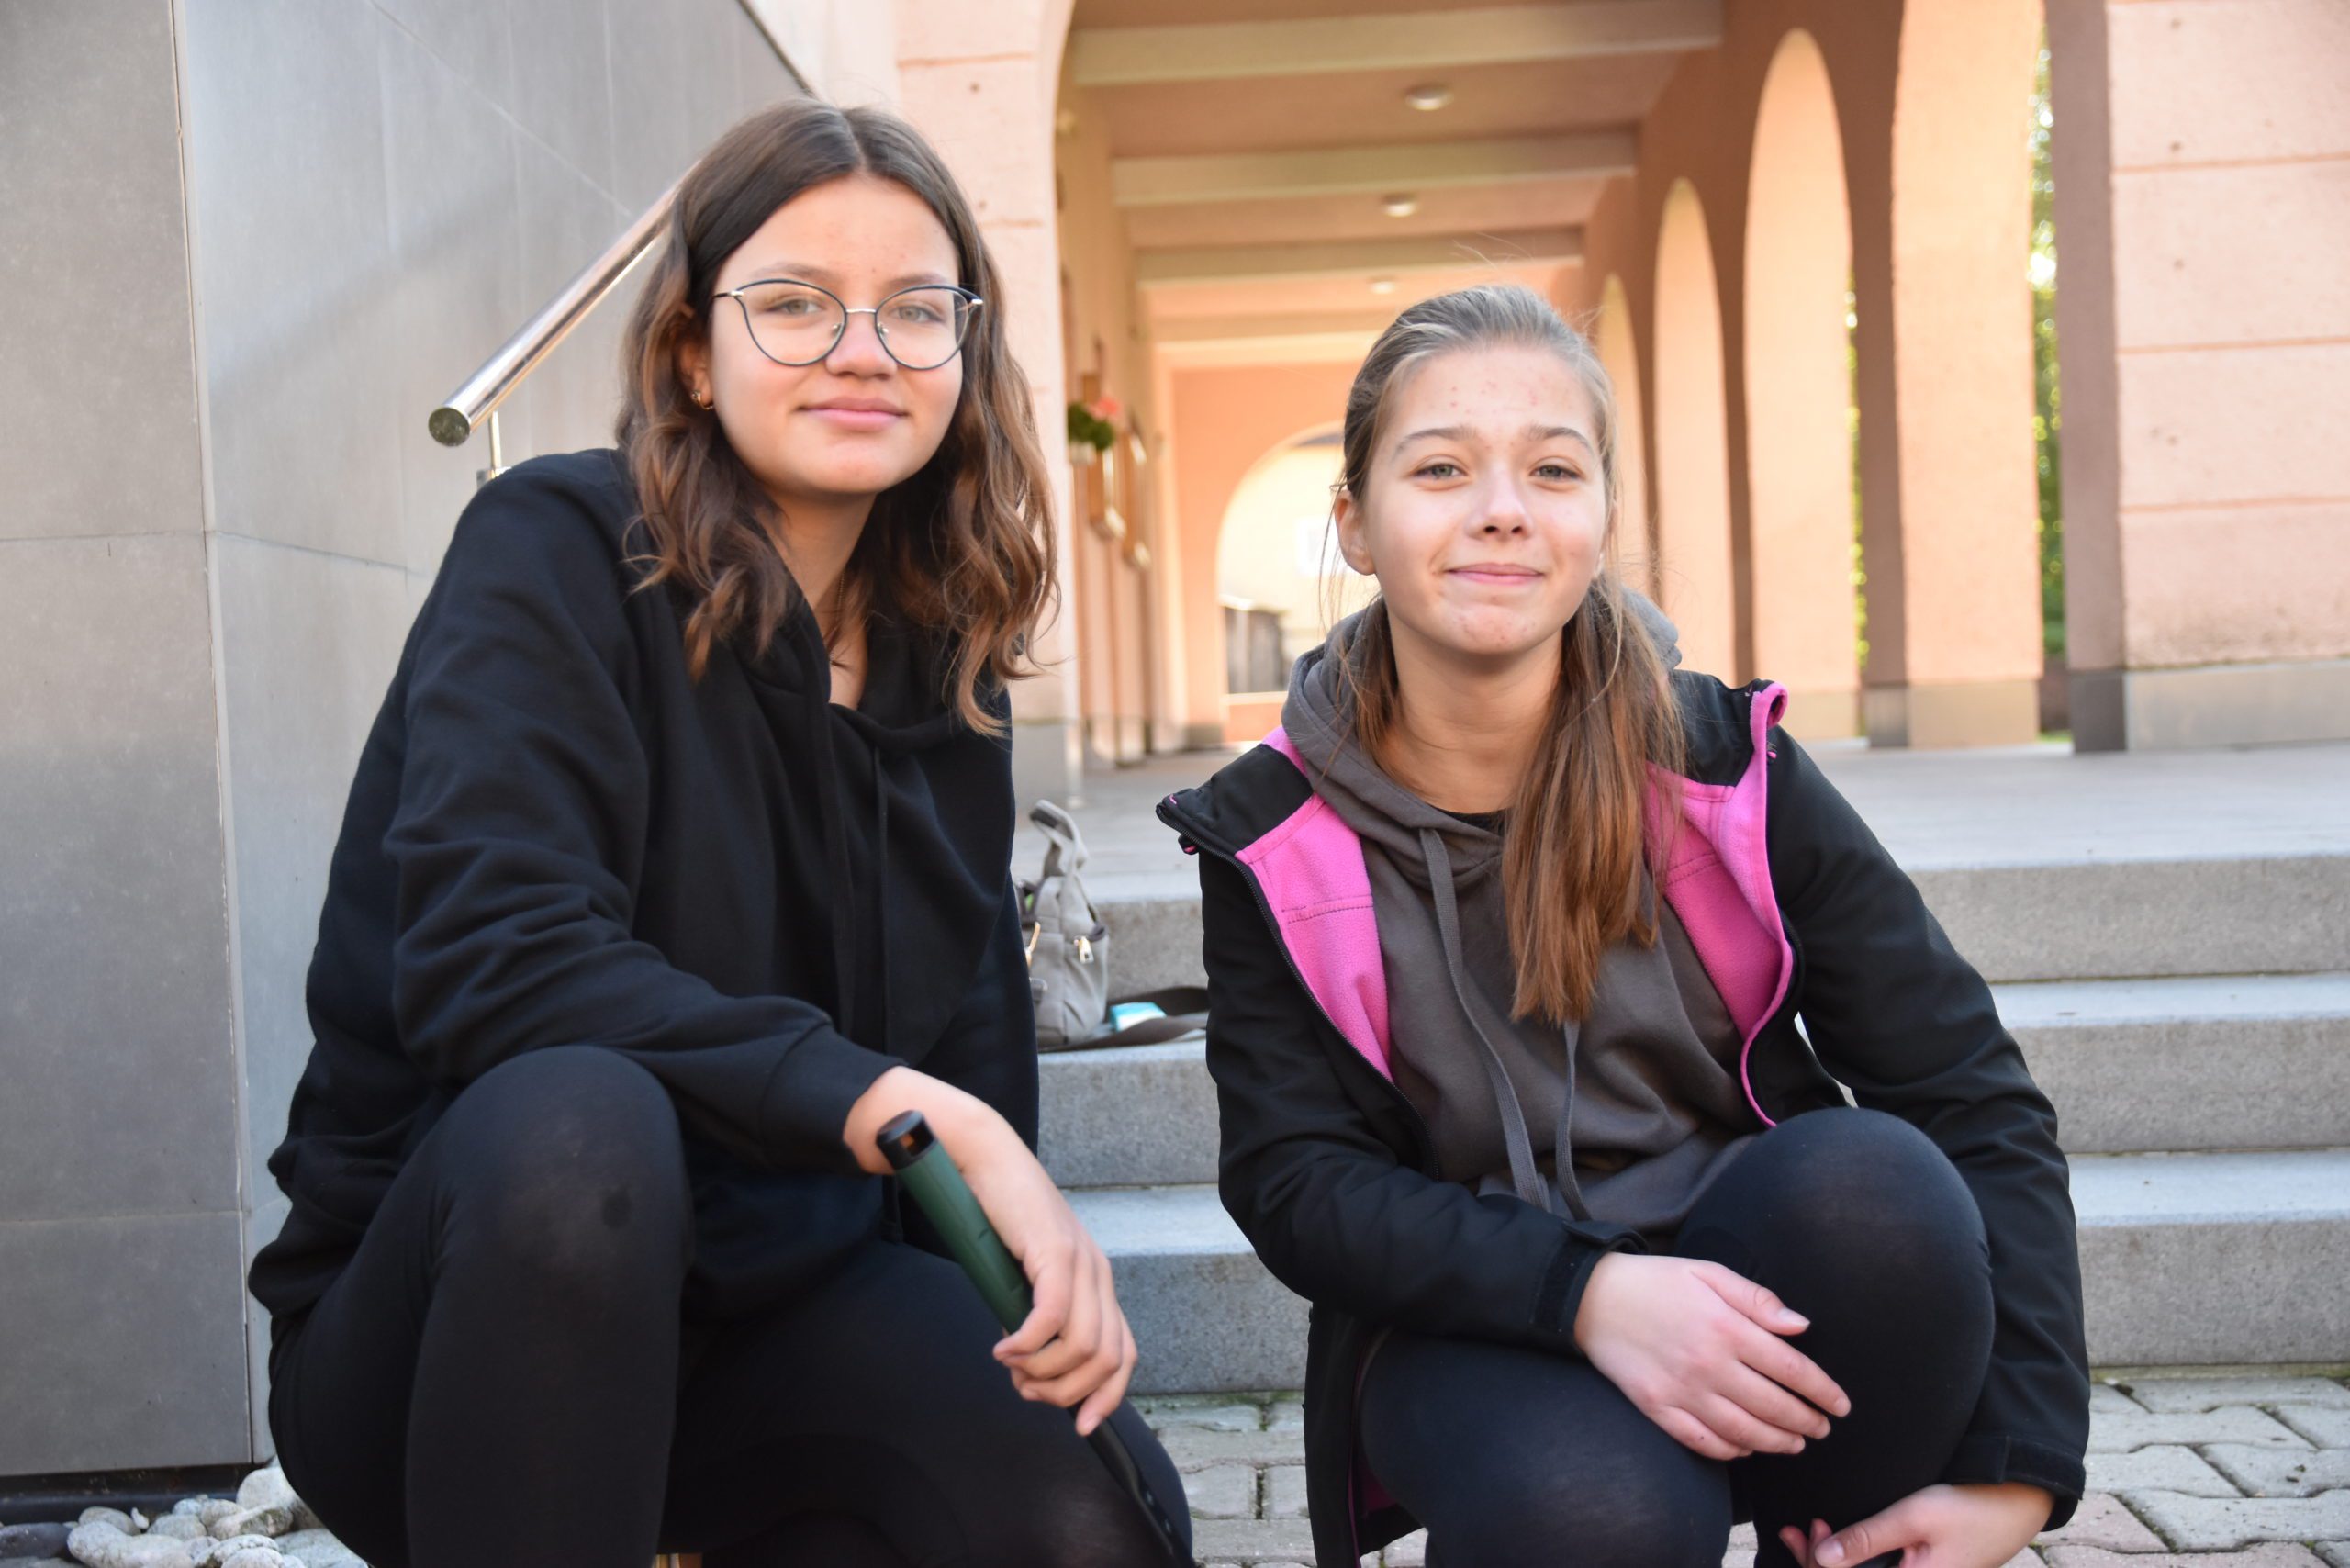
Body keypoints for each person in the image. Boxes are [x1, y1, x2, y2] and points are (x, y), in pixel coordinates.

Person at [248, 99, 1188, 1568]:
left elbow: (966, 1037)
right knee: (580, 1124)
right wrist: (895, 1106)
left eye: (914, 310)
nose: (863, 350)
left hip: (778, 1320)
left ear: (964, 353)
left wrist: (1013, 1274)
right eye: (796, 304)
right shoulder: (556, 550)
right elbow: (496, 964)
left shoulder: (942, 652)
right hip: (473, 1315)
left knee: (1090, 1508)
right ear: (694, 348)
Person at [1158, 283, 2087, 1568]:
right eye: (1440, 468)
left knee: (1878, 1191)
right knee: (1595, 1510)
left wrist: (2021, 1467)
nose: (1502, 508)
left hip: (1752, 1272)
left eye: (1553, 469)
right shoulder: (1271, 831)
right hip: (1478, 1319)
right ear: (1356, 524)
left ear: (1599, 520)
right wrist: (1585, 1291)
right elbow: (1299, 1182)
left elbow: (1969, 1093)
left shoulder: (1723, 766)